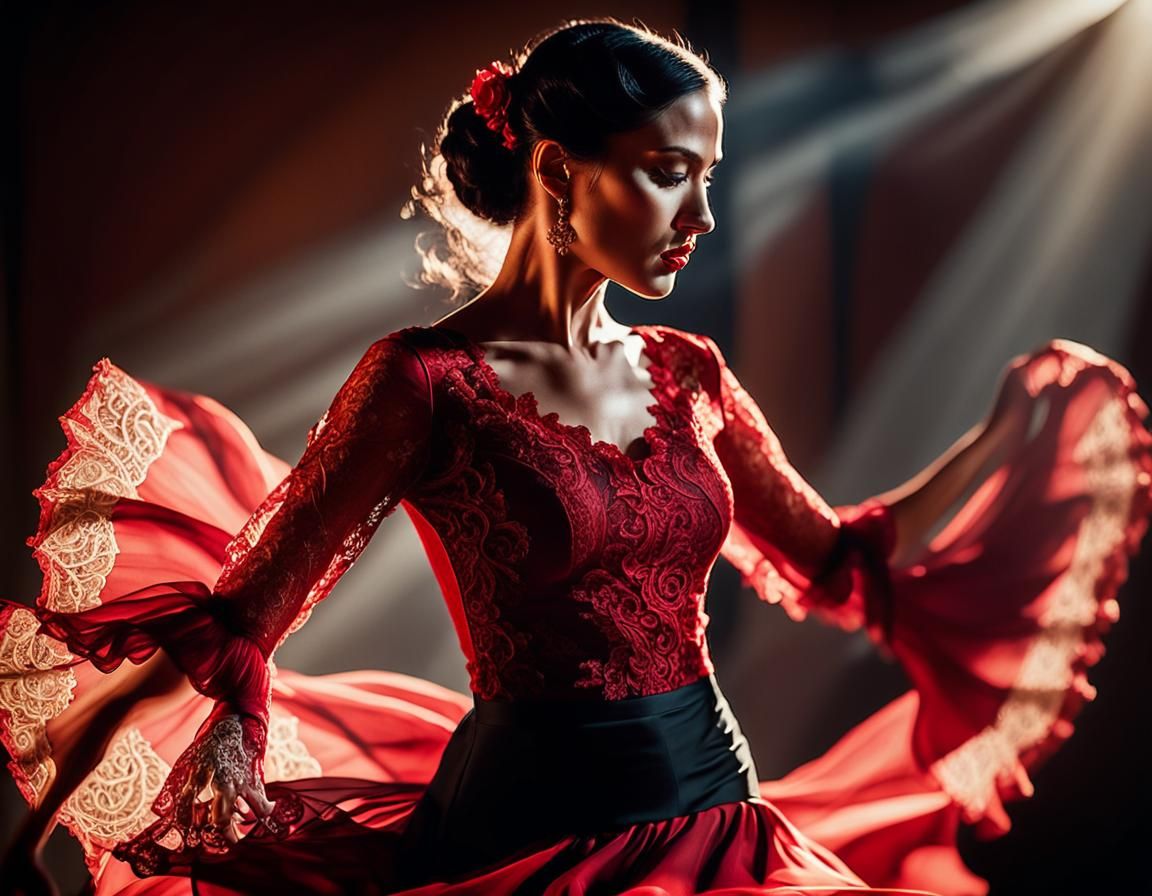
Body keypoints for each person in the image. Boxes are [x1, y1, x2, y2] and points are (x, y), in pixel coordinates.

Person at [2, 16, 1150, 896]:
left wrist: (1000, 436)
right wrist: (28, 832)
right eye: (667, 171)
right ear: (557, 171)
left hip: (717, 819)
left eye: (706, 174)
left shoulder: (688, 372)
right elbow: (231, 626)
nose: (702, 212)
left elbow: (839, 559)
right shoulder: (422, 380)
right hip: (525, 839)